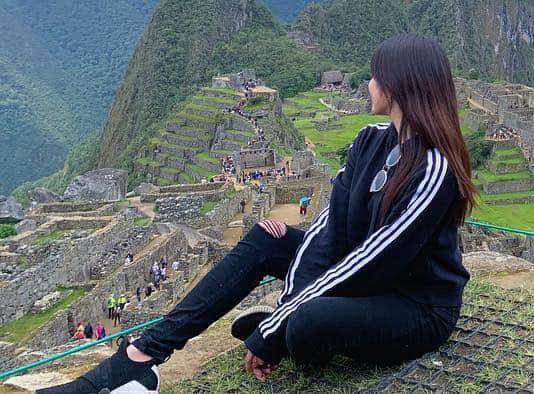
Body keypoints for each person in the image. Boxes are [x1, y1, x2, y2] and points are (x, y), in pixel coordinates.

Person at [42, 34, 476, 394]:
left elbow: (374, 262)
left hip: (415, 305)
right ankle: (142, 355)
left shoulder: (432, 168)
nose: (369, 82)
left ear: (398, 85)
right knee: (268, 237)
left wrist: (282, 321)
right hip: (358, 278)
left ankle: (285, 328)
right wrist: (285, 308)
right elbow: (329, 230)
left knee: (308, 326)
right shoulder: (368, 140)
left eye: (375, 75)